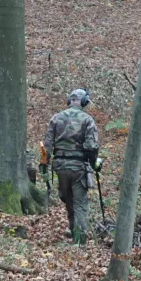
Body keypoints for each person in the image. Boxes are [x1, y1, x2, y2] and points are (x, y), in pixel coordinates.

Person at [43, 88, 99, 244]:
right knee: (80, 203)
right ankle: (80, 241)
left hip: (60, 166)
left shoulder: (56, 118)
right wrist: (94, 163)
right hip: (79, 167)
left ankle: (75, 231)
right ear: (84, 101)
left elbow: (47, 145)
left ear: (70, 100)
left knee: (68, 200)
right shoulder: (87, 120)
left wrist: (45, 164)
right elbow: (91, 146)